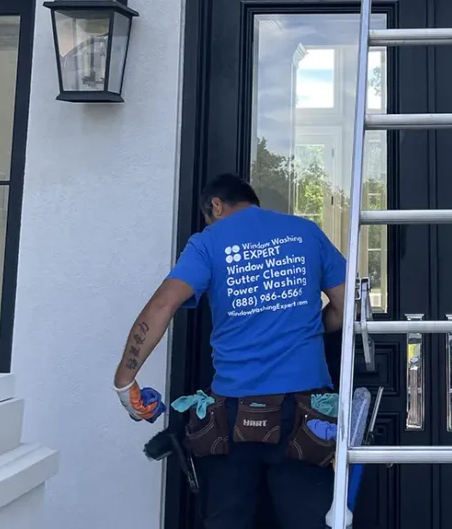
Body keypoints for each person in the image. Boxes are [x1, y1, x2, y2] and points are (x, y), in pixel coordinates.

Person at [112, 173, 347, 529]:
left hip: (231, 414)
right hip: (305, 410)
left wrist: (124, 380)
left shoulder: (208, 243)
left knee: (226, 520)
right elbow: (348, 308)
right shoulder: (306, 233)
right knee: (312, 521)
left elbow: (162, 306)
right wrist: (310, 327)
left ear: (216, 206)